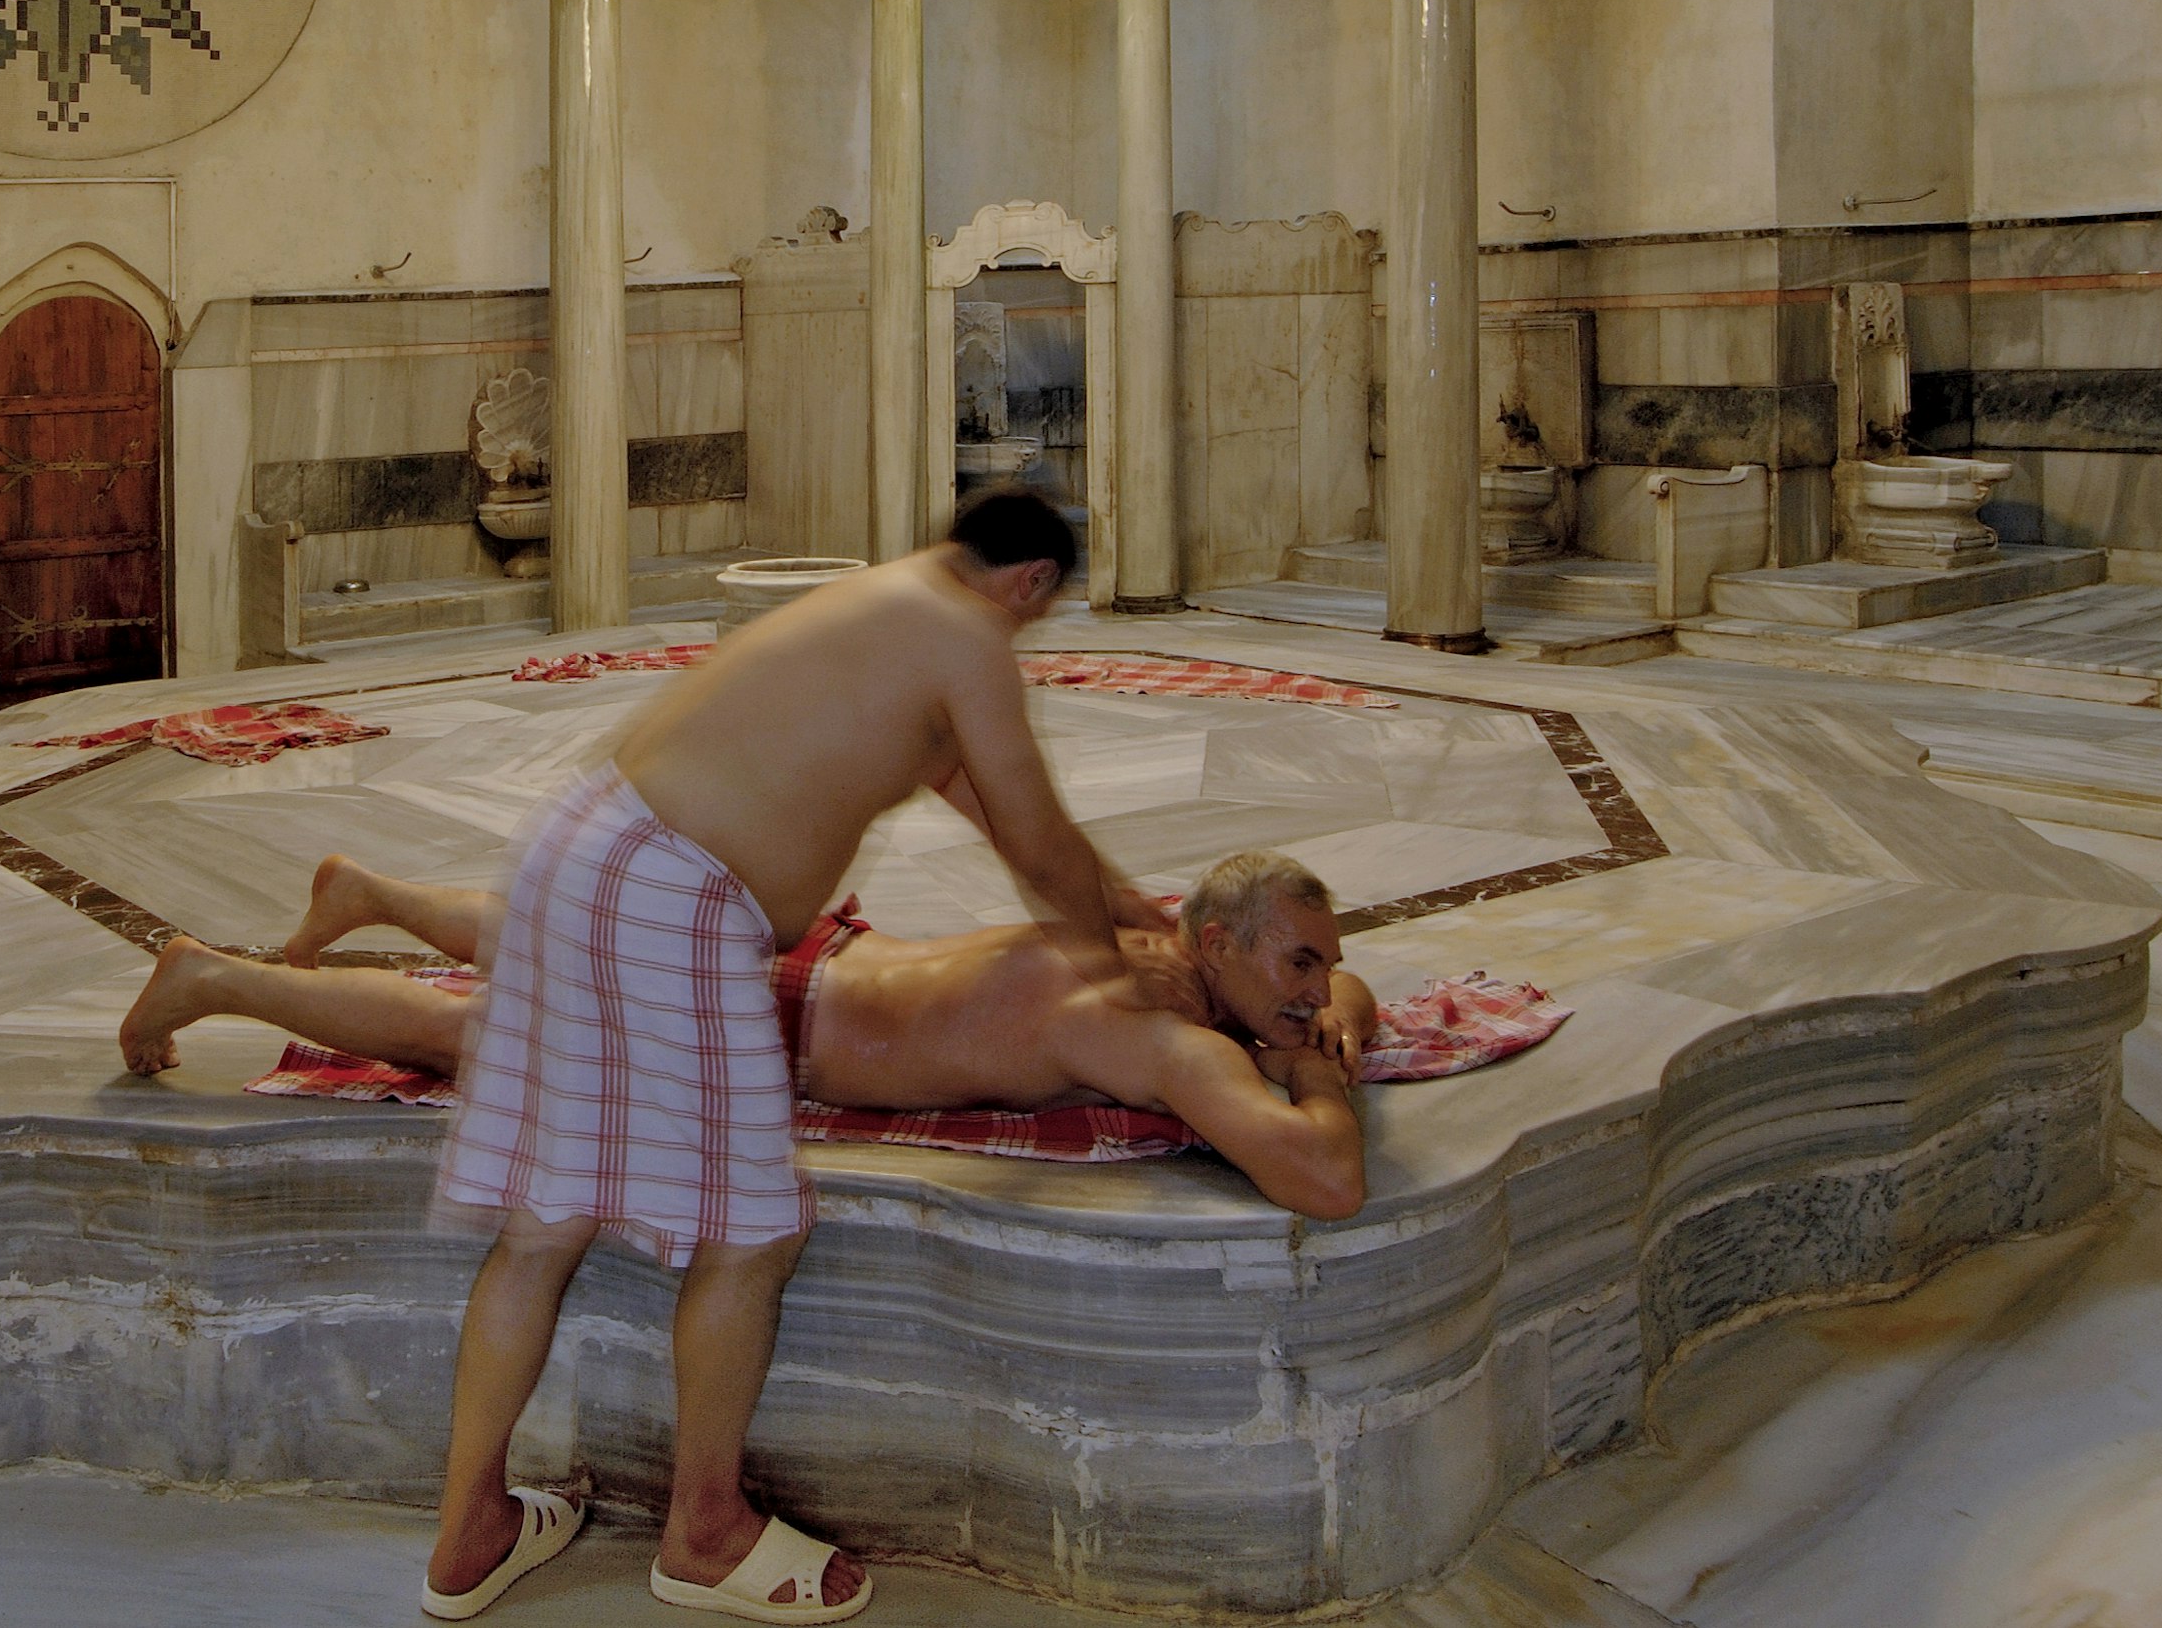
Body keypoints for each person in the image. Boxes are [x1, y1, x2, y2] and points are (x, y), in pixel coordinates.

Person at [407, 485, 1146, 1623]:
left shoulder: (888, 602)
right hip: (671, 896)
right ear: (1029, 582)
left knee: (546, 1216)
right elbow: (1039, 837)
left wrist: (1132, 911)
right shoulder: (968, 636)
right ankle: (704, 1531)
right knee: (755, 1226)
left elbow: (1013, 824)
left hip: (582, 850)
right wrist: (1120, 977)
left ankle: (470, 1531)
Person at [117, 843, 1373, 1215]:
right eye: (1301, 963)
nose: (1319, 990)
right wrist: (1318, 1079)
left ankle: (378, 893)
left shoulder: (1158, 933)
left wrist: (1328, 1016)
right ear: (1218, 946)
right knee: (478, 1037)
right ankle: (213, 979)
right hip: (775, 1018)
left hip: (814, 951)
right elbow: (1322, 1177)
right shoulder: (1170, 1039)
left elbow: (1346, 989)